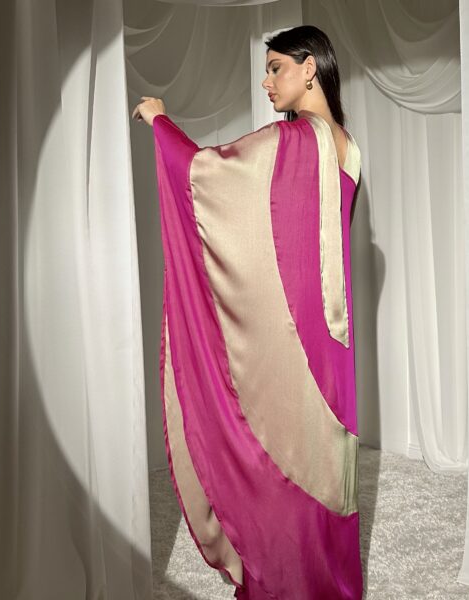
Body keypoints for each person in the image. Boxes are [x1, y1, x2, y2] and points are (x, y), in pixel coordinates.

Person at [132, 25, 362, 600]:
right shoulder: (348, 146)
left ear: (310, 68)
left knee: (282, 450)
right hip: (334, 338)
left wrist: (161, 122)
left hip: (296, 335)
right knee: (325, 458)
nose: (266, 82)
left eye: (276, 68)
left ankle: (284, 583)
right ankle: (328, 583)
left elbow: (207, 174)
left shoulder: (295, 140)